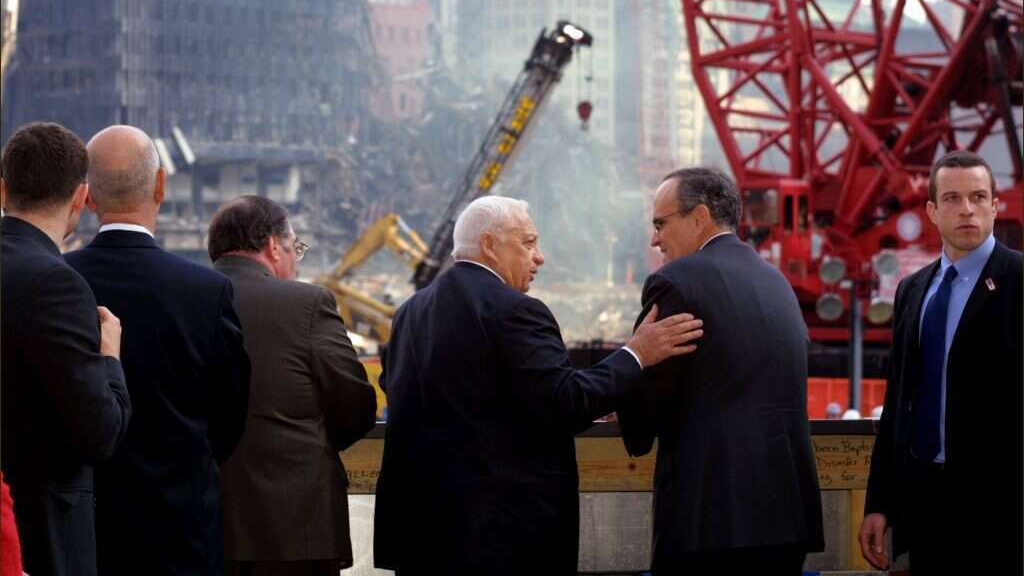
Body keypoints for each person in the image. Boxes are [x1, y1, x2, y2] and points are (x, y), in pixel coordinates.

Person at [373, 196, 705, 575]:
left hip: (420, 537)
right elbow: (567, 402)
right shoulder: (515, 310)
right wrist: (637, 354)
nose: (540, 257)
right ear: (489, 245)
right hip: (503, 540)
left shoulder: (410, 313)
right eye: (528, 243)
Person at [617, 167, 824, 576]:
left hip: (707, 522)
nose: (655, 240)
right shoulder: (777, 282)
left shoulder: (675, 282)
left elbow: (647, 399)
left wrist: (626, 394)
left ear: (699, 218)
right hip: (786, 517)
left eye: (660, 224)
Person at [65, 125, 251, 576]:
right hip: (181, 528)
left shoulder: (58, 282)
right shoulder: (206, 291)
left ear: (87, 197)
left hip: (87, 530)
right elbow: (231, 414)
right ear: (161, 186)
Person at [859, 150, 1022, 575]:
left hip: (1003, 512)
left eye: (978, 197)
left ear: (995, 206)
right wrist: (878, 503)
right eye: (952, 198)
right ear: (932, 211)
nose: (967, 209)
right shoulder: (912, 290)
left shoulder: (1018, 279)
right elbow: (897, 404)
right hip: (924, 506)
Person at [208, 196, 377, 576]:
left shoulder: (184, 299)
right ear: (273, 246)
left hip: (202, 522)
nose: (296, 260)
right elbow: (356, 405)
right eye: (295, 247)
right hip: (298, 527)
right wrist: (313, 441)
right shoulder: (308, 304)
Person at [1, 122, 131, 576]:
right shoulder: (57, 284)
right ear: (81, 198)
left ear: (3, 190)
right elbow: (100, 433)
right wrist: (110, 356)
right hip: (42, 533)